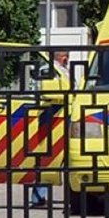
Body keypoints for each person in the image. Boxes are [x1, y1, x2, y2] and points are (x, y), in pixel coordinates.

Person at [30, 52, 68, 207]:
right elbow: (49, 93)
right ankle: (38, 196)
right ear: (58, 56)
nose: (67, 58)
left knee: (53, 157)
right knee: (46, 157)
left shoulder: (62, 69)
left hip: (60, 114)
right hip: (50, 114)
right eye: (65, 55)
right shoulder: (49, 70)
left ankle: (39, 196)